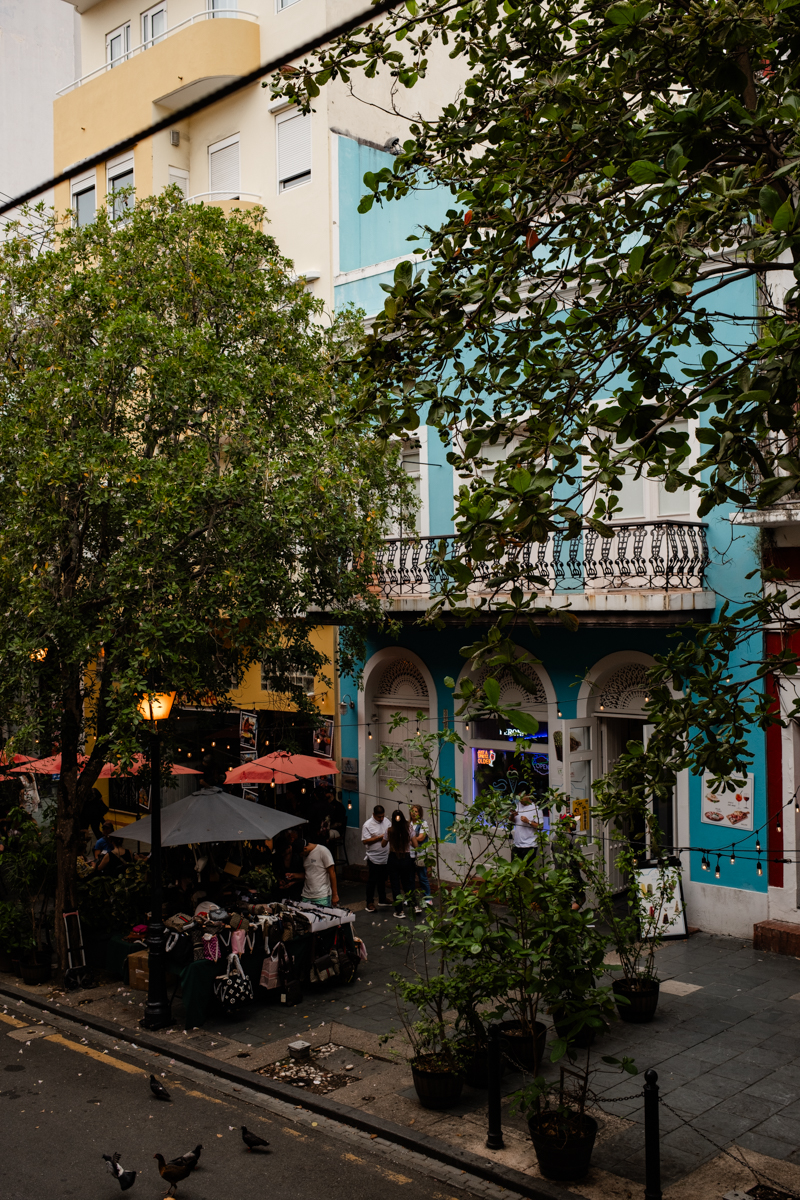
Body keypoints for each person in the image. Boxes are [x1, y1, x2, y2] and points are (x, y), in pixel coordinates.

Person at [387, 809, 417, 918]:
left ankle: (399, 911)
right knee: (407, 883)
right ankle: (413, 905)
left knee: (395, 885)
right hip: (406, 858)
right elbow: (415, 845)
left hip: (393, 858)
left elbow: (383, 844)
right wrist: (408, 841)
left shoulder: (390, 830)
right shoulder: (409, 829)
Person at [361, 804, 391, 912]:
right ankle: (369, 902)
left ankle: (382, 899)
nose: (381, 819)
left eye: (383, 816)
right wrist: (379, 837)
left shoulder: (387, 821)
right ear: (374, 815)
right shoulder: (367, 825)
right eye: (379, 817)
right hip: (373, 857)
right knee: (372, 881)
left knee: (382, 879)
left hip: (385, 856)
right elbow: (365, 841)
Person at [301, 838, 339, 907]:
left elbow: (332, 872)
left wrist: (334, 895)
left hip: (321, 895)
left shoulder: (322, 851)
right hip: (306, 894)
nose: (302, 856)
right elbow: (308, 874)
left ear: (305, 849)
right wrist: (294, 876)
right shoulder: (305, 856)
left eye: (301, 854)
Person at [510, 791, 547, 861]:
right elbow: (513, 820)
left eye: (522, 797)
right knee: (513, 869)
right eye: (519, 797)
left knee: (528, 870)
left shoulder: (536, 809)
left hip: (529, 845)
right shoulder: (517, 806)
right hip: (517, 844)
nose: (520, 800)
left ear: (528, 795)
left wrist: (528, 822)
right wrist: (512, 815)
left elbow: (541, 827)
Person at [409, 803, 433, 905]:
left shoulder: (424, 824)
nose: (414, 813)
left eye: (416, 811)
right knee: (409, 877)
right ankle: (410, 898)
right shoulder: (408, 824)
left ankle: (428, 898)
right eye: (412, 811)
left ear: (420, 813)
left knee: (422, 877)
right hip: (409, 853)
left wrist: (410, 840)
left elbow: (421, 838)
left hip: (420, 854)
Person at [274, 828, 305, 899]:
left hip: (298, 890)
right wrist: (279, 880)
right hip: (283, 891)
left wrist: (293, 882)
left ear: (289, 848)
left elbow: (306, 875)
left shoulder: (298, 855)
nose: (282, 855)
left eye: (284, 853)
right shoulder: (278, 857)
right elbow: (275, 871)